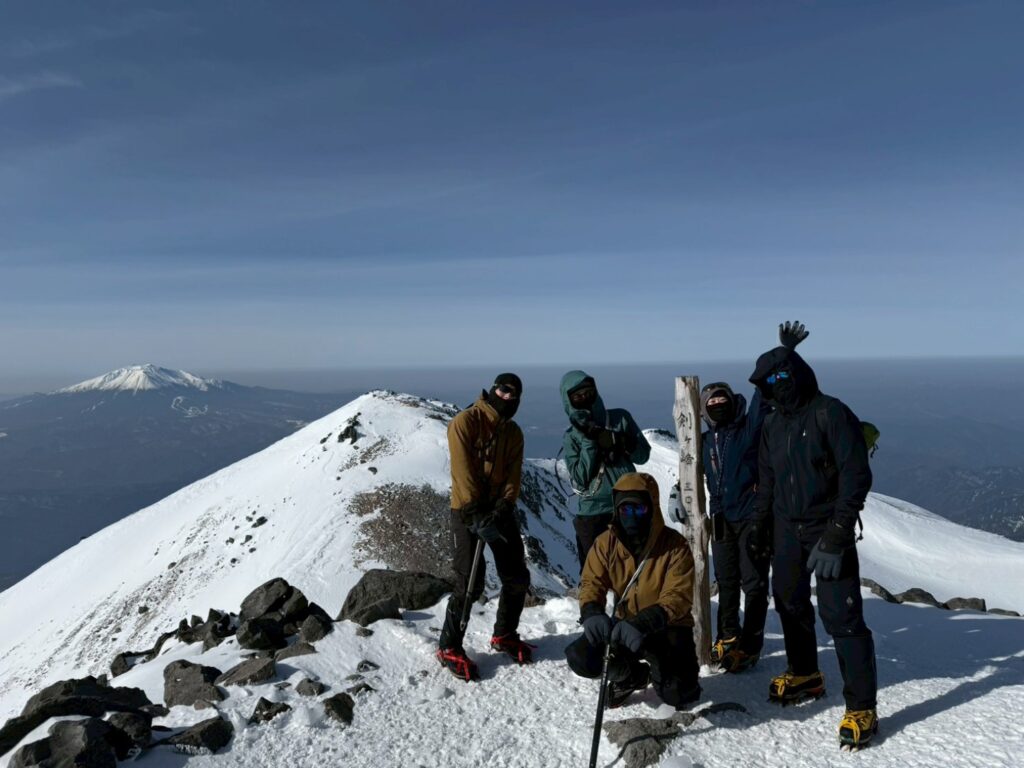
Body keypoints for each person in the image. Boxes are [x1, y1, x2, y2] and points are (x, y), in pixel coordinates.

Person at [749, 332, 878, 750]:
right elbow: (767, 481)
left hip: (827, 528)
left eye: (784, 374)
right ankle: (805, 672)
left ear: (799, 372)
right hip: (787, 528)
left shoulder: (831, 413)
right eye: (770, 380)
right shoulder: (773, 423)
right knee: (788, 599)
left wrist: (838, 534)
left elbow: (856, 476)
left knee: (842, 617)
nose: (778, 384)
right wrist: (758, 526)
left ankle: (862, 707)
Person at [700, 322, 808, 673]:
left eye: (722, 399)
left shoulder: (748, 428)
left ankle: (750, 644)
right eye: (711, 401)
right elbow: (695, 471)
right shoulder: (704, 442)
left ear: (732, 403)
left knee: (754, 584)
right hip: (720, 520)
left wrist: (786, 353)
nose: (717, 404)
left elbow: (764, 392)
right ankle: (727, 636)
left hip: (750, 517)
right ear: (704, 409)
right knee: (727, 582)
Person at [565, 472, 700, 709]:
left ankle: (662, 670)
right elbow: (591, 582)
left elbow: (678, 597)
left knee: (678, 693)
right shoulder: (606, 543)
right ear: (617, 511)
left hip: (667, 625)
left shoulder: (674, 546)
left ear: (651, 509)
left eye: (639, 510)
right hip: (625, 624)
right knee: (582, 657)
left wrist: (643, 623)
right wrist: (591, 610)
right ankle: (633, 676)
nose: (632, 517)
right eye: (625, 510)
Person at [437, 373, 533, 681]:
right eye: (503, 390)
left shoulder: (514, 433)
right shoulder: (465, 422)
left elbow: (513, 476)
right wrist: (476, 513)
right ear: (493, 390)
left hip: (498, 510)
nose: (507, 397)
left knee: (516, 575)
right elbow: (462, 473)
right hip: (466, 510)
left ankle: (504, 634)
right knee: (469, 583)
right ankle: (449, 646)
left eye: (514, 394)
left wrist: (504, 505)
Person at [560, 370, 651, 570]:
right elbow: (580, 478)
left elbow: (643, 455)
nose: (584, 398)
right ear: (569, 401)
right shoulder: (572, 437)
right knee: (595, 571)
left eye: (588, 392)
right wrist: (589, 440)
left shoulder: (620, 419)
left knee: (633, 569)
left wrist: (621, 441)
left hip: (627, 502)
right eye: (577, 396)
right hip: (593, 509)